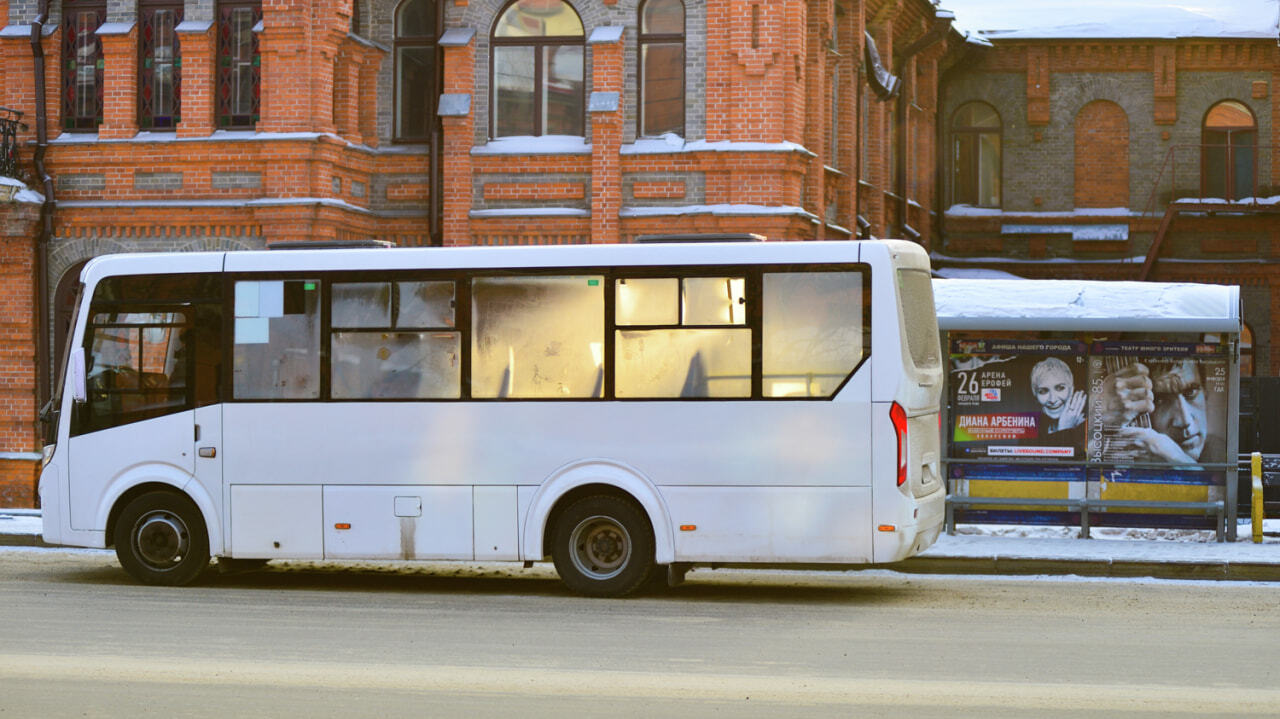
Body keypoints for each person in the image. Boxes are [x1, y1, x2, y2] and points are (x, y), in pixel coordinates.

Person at [1099, 358, 1223, 465]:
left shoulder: (1223, 453)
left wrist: (1180, 463)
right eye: (1161, 400)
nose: (1185, 421)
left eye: (1191, 393)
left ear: (1206, 394)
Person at [1030, 357, 1085, 434]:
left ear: (1071, 390)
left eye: (1060, 388)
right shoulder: (1032, 431)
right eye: (1043, 391)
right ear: (1035, 395)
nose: (1052, 400)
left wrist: (1064, 430)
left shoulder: (1088, 429)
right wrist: (1064, 429)